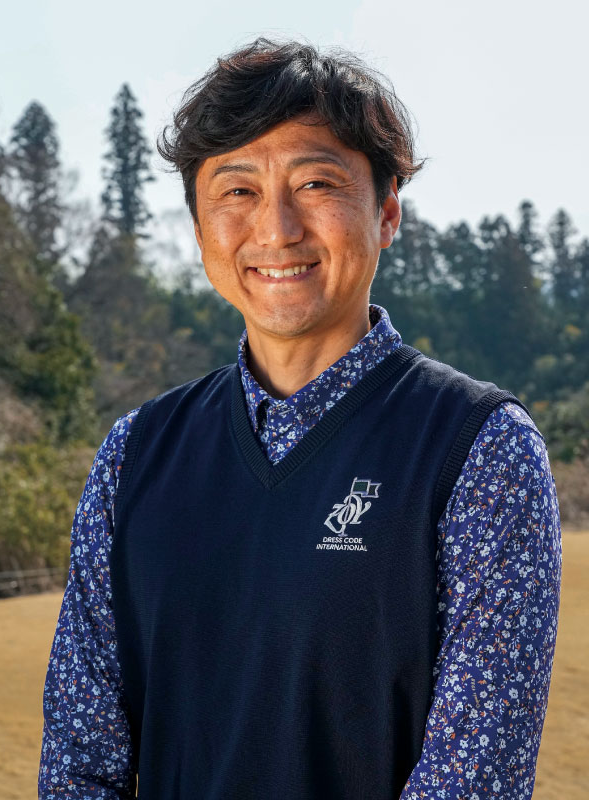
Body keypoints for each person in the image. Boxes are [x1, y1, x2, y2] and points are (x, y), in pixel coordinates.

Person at [38, 37, 562, 799]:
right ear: (200, 228)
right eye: (237, 190)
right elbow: (80, 758)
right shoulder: (134, 454)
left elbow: (472, 778)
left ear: (386, 212)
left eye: (316, 183)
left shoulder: (479, 447)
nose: (277, 229)